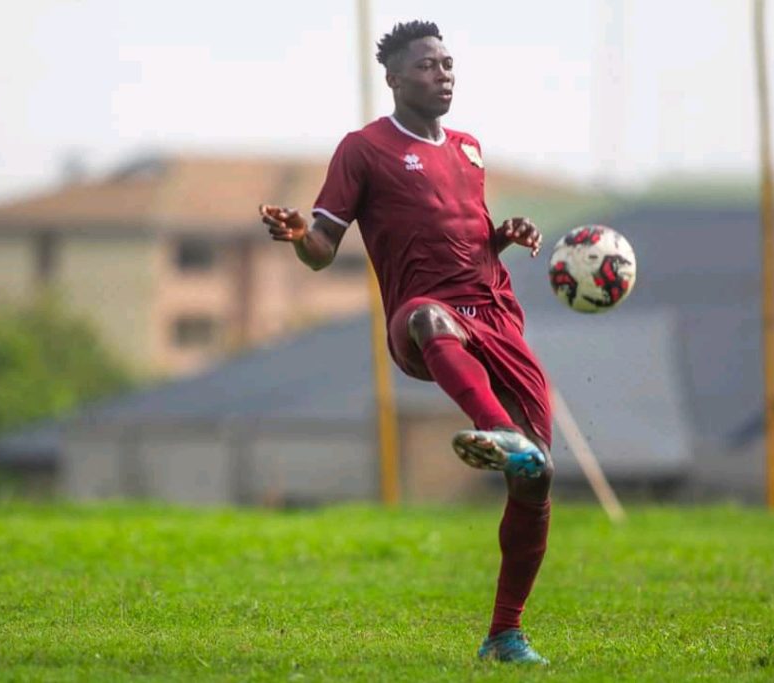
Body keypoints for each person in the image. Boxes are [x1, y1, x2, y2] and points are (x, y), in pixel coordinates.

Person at [259, 20, 553, 666]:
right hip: (422, 316)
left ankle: (505, 634)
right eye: (426, 66)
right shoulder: (363, 149)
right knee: (429, 319)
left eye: (447, 64)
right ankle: (500, 431)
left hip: (496, 317)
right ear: (393, 79)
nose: (442, 74)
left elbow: (463, 235)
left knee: (537, 479)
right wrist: (299, 235)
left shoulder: (470, 149)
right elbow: (323, 248)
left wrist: (501, 236)